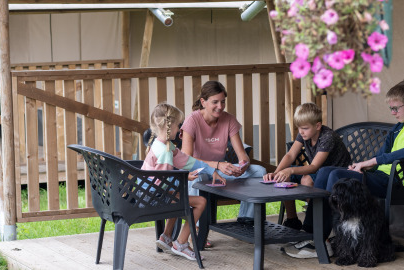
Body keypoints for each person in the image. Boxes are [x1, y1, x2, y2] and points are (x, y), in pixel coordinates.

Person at [290, 79, 404, 259]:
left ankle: (319, 239)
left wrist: (370, 162)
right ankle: (312, 233)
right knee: (325, 172)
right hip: (378, 176)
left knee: (336, 174)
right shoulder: (399, 128)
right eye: (391, 109)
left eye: (395, 108)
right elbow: (383, 152)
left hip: (398, 182)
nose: (393, 113)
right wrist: (361, 166)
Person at [142, 103, 225, 261]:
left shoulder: (161, 144)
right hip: (154, 198)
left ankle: (166, 236)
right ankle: (181, 243)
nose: (180, 129)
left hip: (148, 194)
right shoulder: (165, 151)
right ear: (169, 126)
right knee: (200, 202)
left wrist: (209, 169)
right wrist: (184, 177)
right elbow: (164, 180)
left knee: (180, 196)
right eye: (178, 125)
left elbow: (186, 161)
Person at [181, 81, 267, 227]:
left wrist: (243, 165)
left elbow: (242, 155)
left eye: (223, 102)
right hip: (198, 170)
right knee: (197, 178)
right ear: (203, 102)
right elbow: (187, 159)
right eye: (215, 102)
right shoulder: (192, 120)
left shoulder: (229, 119)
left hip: (220, 172)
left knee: (260, 171)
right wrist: (217, 165)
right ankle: (197, 229)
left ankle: (246, 219)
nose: (220, 107)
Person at [263, 103, 351, 231]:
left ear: (318, 126)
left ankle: (314, 225)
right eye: (298, 128)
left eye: (304, 128)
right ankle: (293, 221)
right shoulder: (305, 133)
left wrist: (291, 170)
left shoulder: (328, 137)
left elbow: (314, 167)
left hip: (336, 176)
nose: (301, 132)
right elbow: (290, 155)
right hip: (319, 173)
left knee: (306, 180)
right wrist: (276, 173)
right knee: (283, 176)